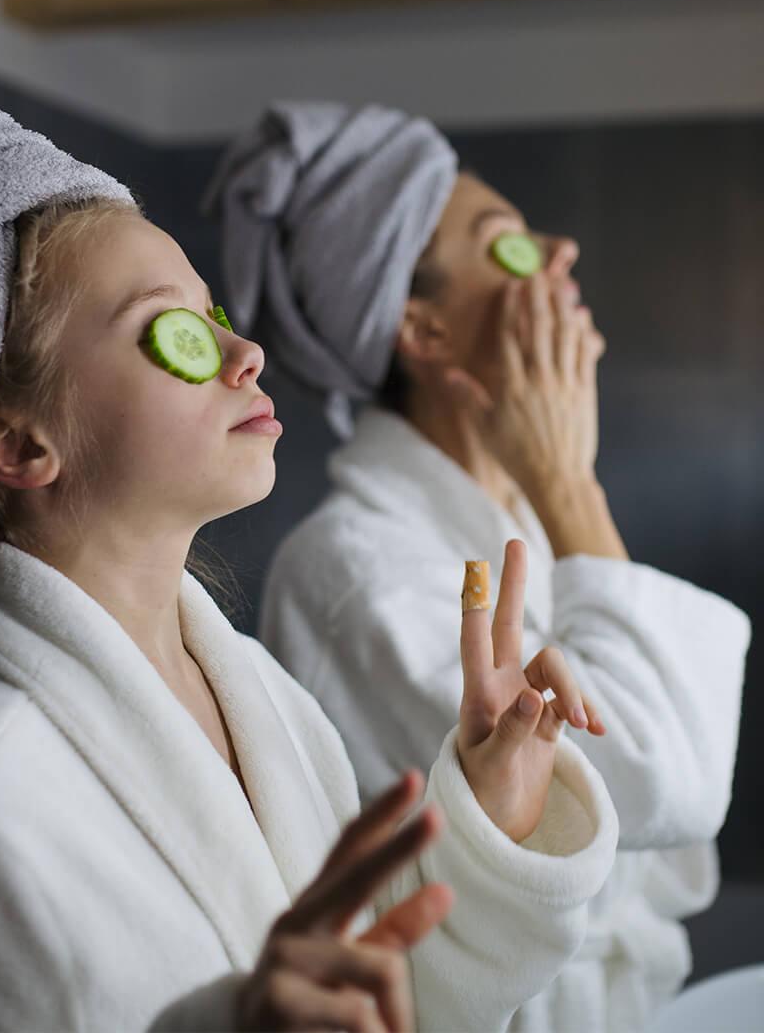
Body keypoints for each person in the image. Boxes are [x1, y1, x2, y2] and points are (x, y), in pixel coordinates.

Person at [0, 35, 619, 1032]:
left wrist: (491, 805)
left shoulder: (257, 693)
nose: (245, 353)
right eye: (169, 332)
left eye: (214, 313)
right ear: (15, 440)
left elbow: (373, 993)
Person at [206, 101, 751, 1030]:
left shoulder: (508, 514)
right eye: (510, 247)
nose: (561, 253)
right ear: (423, 333)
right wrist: (568, 480)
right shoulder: (350, 572)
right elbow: (666, 789)